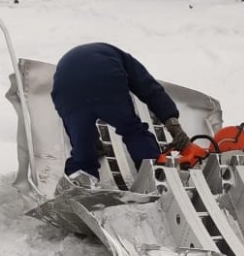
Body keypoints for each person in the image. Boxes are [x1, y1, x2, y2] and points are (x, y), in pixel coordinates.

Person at [50, 42, 191, 178]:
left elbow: (70, 121)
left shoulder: (73, 63)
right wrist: (171, 121)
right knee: (132, 130)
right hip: (106, 80)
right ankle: (152, 168)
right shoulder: (123, 58)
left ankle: (81, 175)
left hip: (66, 91)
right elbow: (150, 89)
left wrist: (87, 141)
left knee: (81, 141)